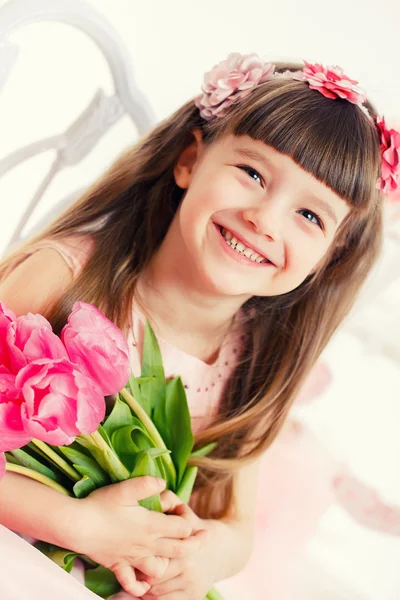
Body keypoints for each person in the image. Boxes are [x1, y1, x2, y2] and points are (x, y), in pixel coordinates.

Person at [0, 53, 399, 600]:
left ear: (329, 257)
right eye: (253, 173)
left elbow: (236, 528)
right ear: (190, 160)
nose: (264, 218)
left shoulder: (251, 359)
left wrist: (200, 557)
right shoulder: (63, 278)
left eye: (310, 216)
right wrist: (76, 525)